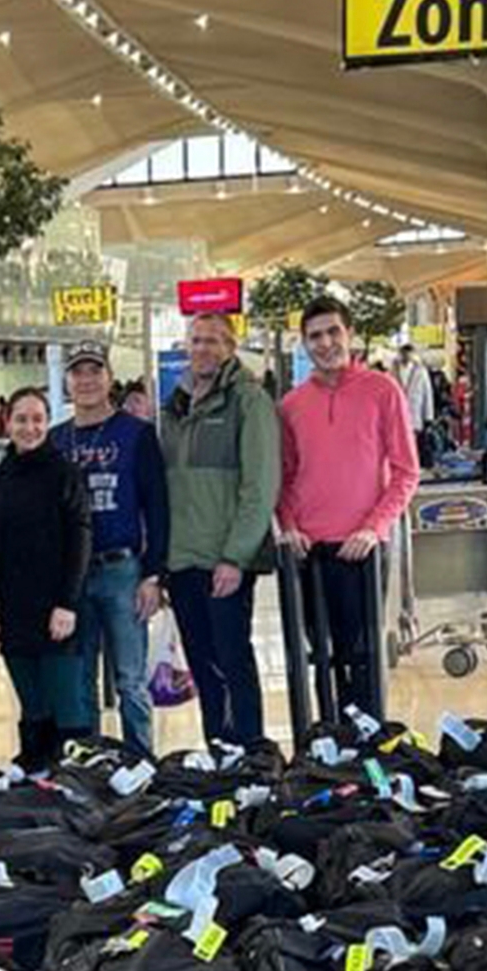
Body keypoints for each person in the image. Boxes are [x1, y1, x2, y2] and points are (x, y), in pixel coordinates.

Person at [278, 297, 421, 723]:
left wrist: (374, 528)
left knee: (363, 658)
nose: (325, 344)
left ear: (350, 335)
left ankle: (366, 747)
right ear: (304, 344)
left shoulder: (382, 390)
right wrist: (288, 525)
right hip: (308, 551)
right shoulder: (291, 405)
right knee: (319, 656)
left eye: (333, 332)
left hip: (362, 550)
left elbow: (405, 472)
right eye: (315, 336)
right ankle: (327, 748)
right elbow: (283, 478)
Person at [160, 313, 281, 748]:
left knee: (233, 662)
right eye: (195, 341)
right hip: (183, 559)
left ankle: (248, 751)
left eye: (212, 341)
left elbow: (260, 486)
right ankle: (218, 750)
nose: (202, 349)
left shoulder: (249, 402)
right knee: (203, 666)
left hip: (225, 560)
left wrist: (237, 556)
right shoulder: (175, 407)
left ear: (231, 347)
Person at [51, 342, 169, 754]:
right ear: (67, 382)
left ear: (109, 379)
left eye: (94, 372)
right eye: (77, 373)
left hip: (122, 569)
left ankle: (141, 761)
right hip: (73, 574)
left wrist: (154, 575)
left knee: (130, 679)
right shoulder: (56, 439)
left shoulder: (136, 435)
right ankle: (89, 761)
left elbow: (157, 507)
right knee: (79, 676)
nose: (86, 381)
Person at [0, 388, 94, 766]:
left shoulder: (65, 473)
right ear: (7, 422)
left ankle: (77, 779)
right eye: (21, 419)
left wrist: (67, 603)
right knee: (32, 700)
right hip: (14, 607)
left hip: (55, 608)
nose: (29, 428)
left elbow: (80, 539)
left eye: (37, 420)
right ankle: (35, 776)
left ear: (48, 423)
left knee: (67, 702)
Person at [392, 344, 437, 467]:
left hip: (415, 413)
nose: (406, 356)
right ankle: (402, 464)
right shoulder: (393, 370)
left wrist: (428, 416)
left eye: (409, 353)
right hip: (396, 414)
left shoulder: (420, 371)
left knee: (413, 442)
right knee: (399, 441)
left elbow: (427, 394)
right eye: (404, 353)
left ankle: (412, 466)